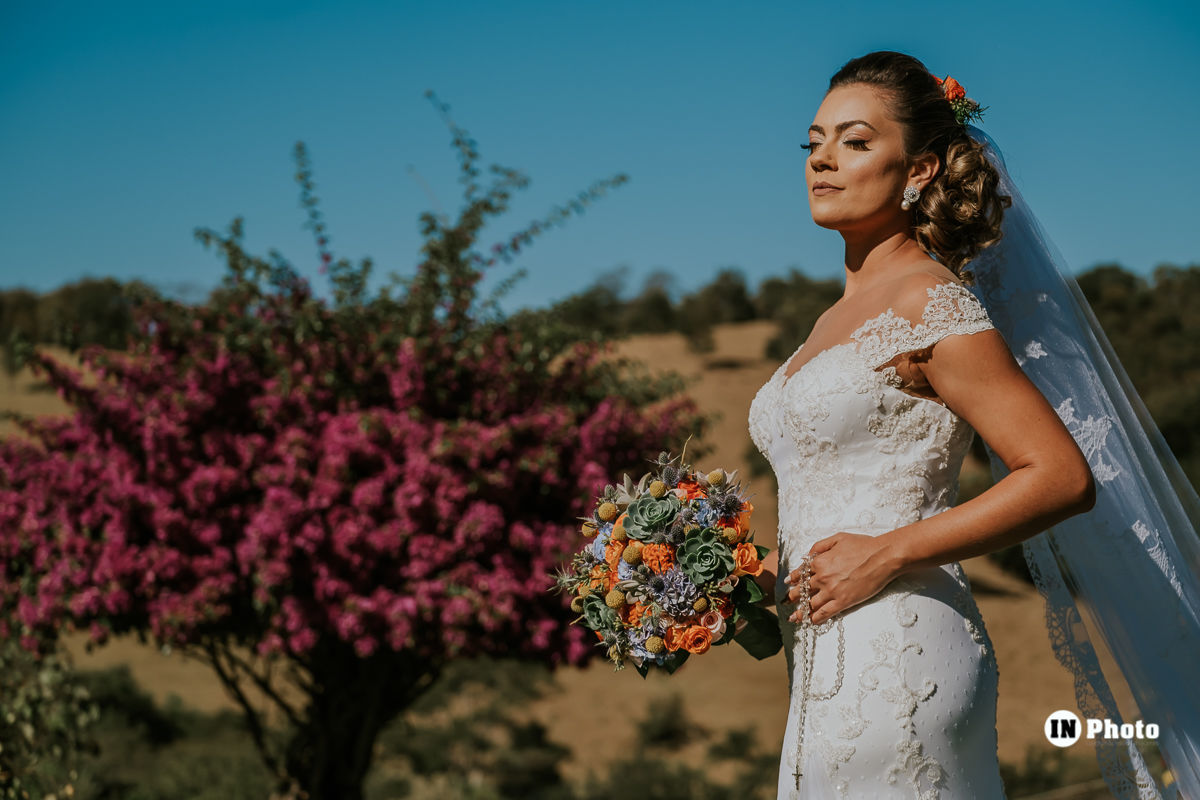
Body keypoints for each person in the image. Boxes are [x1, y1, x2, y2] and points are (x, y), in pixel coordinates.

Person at [747, 50, 1115, 798]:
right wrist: (744, 576)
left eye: (854, 141)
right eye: (813, 142)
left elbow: (1061, 477)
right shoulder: (829, 320)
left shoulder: (928, 301)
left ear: (918, 170)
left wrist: (887, 553)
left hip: (901, 649)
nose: (822, 160)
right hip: (816, 659)